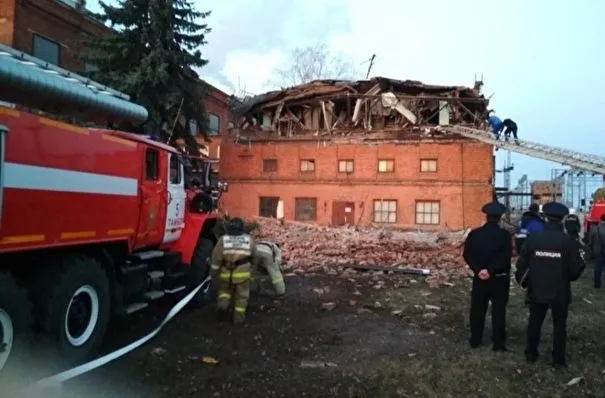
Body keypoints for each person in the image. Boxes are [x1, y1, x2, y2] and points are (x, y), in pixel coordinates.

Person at [515, 202, 585, 368]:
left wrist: (525, 282)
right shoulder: (568, 241)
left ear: (545, 217)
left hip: (537, 289)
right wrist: (567, 277)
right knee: (560, 325)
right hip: (560, 291)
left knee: (535, 322)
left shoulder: (534, 239)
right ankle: (558, 359)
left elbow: (521, 264)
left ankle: (531, 354)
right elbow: (578, 266)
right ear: (562, 219)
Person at [463, 201, 513, 351]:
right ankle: (498, 342)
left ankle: (475, 339)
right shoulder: (504, 236)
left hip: (480, 278)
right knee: (498, 310)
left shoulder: (475, 234)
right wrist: (491, 271)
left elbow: (467, 254)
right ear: (499, 218)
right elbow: (506, 257)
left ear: (486, 216)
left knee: (477, 309)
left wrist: (479, 270)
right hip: (499, 278)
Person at [210, 217, 256, 323]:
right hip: (243, 274)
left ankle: (222, 307)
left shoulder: (223, 240)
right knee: (242, 297)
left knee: (224, 292)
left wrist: (213, 273)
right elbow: (254, 256)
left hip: (226, 273)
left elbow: (216, 259)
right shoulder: (248, 240)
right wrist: (252, 268)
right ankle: (238, 319)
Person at [587, 214, 605, 288]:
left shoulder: (595, 229)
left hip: (597, 251)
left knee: (598, 267)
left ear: (600, 220)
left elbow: (591, 241)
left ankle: (597, 284)